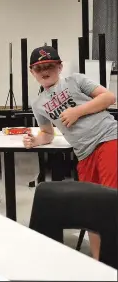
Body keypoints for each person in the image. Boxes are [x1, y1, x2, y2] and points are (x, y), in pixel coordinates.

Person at [23, 46, 117, 260]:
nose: (45, 71)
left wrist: (77, 111)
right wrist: (35, 140)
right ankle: (99, 263)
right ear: (32, 72)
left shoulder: (75, 80)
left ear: (60, 66)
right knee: (93, 208)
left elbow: (109, 97)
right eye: (39, 68)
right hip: (84, 153)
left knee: (111, 201)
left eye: (50, 66)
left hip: (108, 138)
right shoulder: (38, 104)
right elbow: (47, 133)